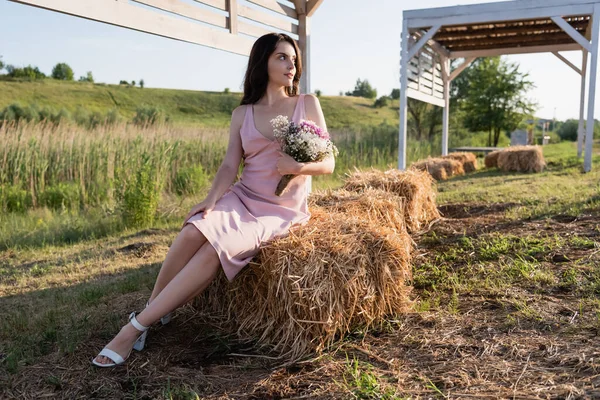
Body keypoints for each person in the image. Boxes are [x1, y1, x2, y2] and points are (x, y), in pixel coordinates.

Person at [92, 32, 335, 367]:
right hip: (243, 196)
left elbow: (329, 162)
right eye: (281, 57)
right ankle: (152, 313)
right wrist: (210, 200)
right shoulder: (242, 114)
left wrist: (298, 166)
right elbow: (228, 165)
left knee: (212, 250)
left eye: (293, 59)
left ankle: (133, 329)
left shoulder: (306, 104)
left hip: (278, 211)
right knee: (193, 230)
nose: (291, 64)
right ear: (262, 61)